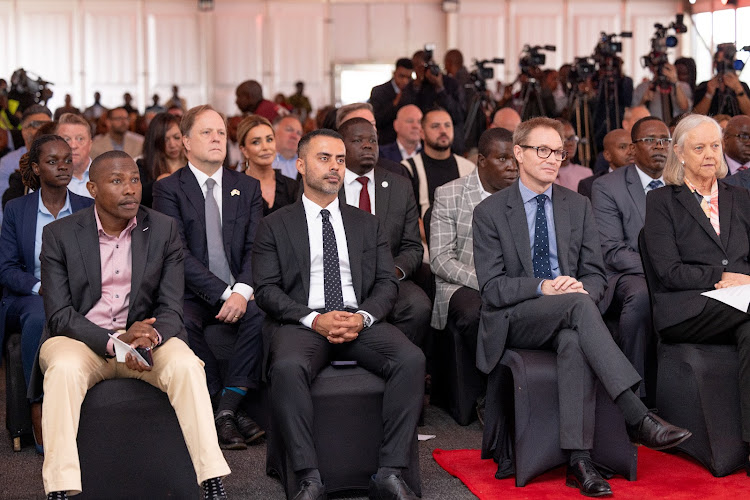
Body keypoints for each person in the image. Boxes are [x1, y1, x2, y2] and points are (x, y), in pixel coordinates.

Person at [473, 117, 691, 496]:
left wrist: (580, 290)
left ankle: (579, 460)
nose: (552, 159)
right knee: (575, 308)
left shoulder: (578, 205)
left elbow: (596, 274)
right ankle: (637, 415)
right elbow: (493, 289)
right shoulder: (490, 212)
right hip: (517, 316)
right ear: (519, 154)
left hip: (572, 313)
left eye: (557, 151)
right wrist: (545, 287)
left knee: (574, 338)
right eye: (542, 150)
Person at [38, 150, 230, 500]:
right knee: (63, 369)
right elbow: (59, 314)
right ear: (93, 188)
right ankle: (61, 488)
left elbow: (172, 306)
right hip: (80, 340)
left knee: (187, 365)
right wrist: (115, 342)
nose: (130, 189)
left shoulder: (162, 229)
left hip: (144, 340)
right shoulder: (59, 234)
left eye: (134, 180)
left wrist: (149, 338)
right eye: (116, 181)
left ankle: (212, 481)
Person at [252, 129, 424, 500]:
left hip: (357, 319)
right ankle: (308, 476)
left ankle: (391, 473)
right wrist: (313, 319)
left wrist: (363, 317)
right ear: (300, 165)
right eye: (324, 158)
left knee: (411, 359)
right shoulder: (275, 224)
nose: (335, 167)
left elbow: (385, 283)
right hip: (303, 321)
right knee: (286, 367)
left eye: (340, 160)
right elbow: (266, 290)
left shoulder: (366, 223)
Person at [152, 105, 265, 450]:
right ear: (185, 142)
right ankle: (226, 406)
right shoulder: (169, 188)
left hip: (241, 288)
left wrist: (242, 292)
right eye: (206, 132)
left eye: (221, 132)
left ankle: (224, 410)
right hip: (191, 292)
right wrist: (224, 293)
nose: (217, 138)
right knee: (181, 322)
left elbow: (256, 248)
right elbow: (177, 253)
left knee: (264, 314)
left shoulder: (247, 186)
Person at [642, 113, 750, 468]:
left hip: (741, 303)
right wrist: (724, 277)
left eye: (716, 146)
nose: (710, 154)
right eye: (699, 147)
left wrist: (741, 280)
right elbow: (669, 272)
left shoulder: (741, 197)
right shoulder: (661, 203)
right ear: (680, 153)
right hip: (686, 310)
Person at [0, 135, 94, 454]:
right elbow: (8, 268)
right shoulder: (17, 209)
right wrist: (43, 288)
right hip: (31, 294)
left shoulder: (88, 208)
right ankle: (38, 404)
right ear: (37, 168)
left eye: (67, 159)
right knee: (42, 314)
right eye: (53, 161)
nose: (63, 166)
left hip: (80, 293)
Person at [430, 128, 517, 420]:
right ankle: (488, 395)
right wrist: (487, 282)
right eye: (502, 158)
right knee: (477, 313)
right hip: (461, 283)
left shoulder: (524, 194)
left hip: (513, 281)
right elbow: (441, 259)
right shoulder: (450, 193)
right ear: (481, 160)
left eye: (515, 158)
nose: (512, 166)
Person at [590, 116, 669, 397]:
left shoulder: (681, 183)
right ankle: (633, 395)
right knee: (643, 295)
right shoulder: (608, 187)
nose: (659, 146)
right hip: (627, 273)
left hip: (676, 271)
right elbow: (612, 251)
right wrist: (664, 272)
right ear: (633, 149)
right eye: (650, 140)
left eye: (665, 140)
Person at [338, 117, 430, 349]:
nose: (368, 145)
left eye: (373, 140)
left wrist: (393, 272)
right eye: (358, 140)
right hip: (338, 277)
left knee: (418, 306)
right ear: (341, 146)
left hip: (388, 276)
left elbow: (412, 246)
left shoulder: (399, 185)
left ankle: (397, 362)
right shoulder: (328, 183)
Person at [401, 107, 474, 217]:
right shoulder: (408, 168)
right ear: (422, 133)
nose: (443, 131)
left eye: (447, 125)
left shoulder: (468, 168)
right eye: (435, 126)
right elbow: (407, 216)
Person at [402, 50, 465, 154]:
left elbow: (458, 114)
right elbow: (406, 110)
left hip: (450, 144)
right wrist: (417, 84)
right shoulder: (413, 86)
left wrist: (440, 88)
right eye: (416, 67)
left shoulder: (451, 83)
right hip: (420, 143)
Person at [0, 104, 52, 225]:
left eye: (49, 124)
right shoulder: (8, 163)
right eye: (36, 124)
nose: (44, 128)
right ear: (24, 131)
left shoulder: (65, 161)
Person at [238, 114, 299, 216]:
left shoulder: (292, 188)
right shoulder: (235, 190)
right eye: (256, 142)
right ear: (244, 150)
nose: (265, 147)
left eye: (269, 139)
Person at [136, 112, 185, 208]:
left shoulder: (193, 162)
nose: (172, 144)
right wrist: (157, 182)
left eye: (176, 137)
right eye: (165, 140)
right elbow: (137, 197)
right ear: (156, 141)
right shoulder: (144, 165)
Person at [369, 58, 414, 145]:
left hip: (409, 142)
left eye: (408, 77)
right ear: (394, 73)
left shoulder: (413, 91)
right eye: (401, 76)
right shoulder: (379, 91)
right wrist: (395, 102)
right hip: (386, 142)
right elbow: (377, 119)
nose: (405, 81)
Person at [578, 128, 633, 199]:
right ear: (607, 155)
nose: (630, 152)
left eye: (633, 147)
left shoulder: (645, 178)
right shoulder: (590, 185)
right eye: (623, 147)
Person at [693, 48, 750, 117]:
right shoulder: (704, 86)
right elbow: (696, 116)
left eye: (730, 61)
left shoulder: (742, 86)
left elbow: (748, 113)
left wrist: (739, 90)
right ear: (715, 64)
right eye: (722, 62)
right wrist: (709, 94)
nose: (726, 65)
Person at [56, 113, 94, 198]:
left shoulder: (105, 177)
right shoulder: (44, 181)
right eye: (66, 139)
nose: (73, 146)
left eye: (80, 139)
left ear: (90, 144)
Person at [554, 120, 591, 191]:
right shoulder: (542, 173)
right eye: (564, 139)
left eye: (572, 138)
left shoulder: (585, 173)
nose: (570, 143)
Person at [271, 115, 304, 180]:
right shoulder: (263, 161)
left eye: (299, 133)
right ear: (273, 132)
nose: (294, 136)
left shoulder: (305, 165)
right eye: (289, 130)